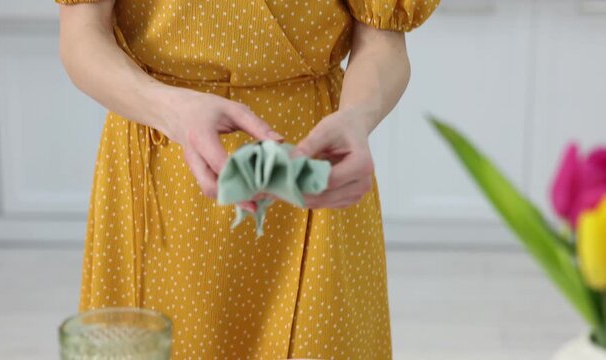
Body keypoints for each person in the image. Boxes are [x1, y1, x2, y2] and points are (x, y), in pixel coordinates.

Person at [56, 0, 438, 358]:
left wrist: (357, 115)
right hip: (161, 155)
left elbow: (383, 43)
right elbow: (82, 37)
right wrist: (170, 110)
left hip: (309, 158)